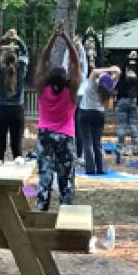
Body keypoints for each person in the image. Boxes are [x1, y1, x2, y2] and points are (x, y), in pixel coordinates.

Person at [34, 26, 82, 210]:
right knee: (66, 176)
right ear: (66, 80)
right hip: (66, 136)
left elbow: (42, 60)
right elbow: (75, 64)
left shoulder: (42, 89)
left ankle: (41, 207)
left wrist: (54, 37)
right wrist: (68, 40)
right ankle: (66, 210)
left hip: (45, 133)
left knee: (45, 174)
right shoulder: (70, 92)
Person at [78, 57, 119, 176]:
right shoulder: (108, 89)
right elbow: (118, 72)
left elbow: (94, 72)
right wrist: (113, 70)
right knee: (97, 141)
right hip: (99, 114)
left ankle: (90, 168)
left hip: (85, 112)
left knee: (87, 141)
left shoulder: (92, 86)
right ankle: (100, 167)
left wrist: (108, 69)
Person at [0, 40, 28, 161]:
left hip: (0, 109)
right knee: (17, 148)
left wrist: (2, 40)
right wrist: (18, 39)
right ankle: (18, 176)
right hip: (17, 110)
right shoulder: (20, 69)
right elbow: (25, 53)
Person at [115, 52, 138, 161]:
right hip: (133, 101)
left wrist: (128, 58)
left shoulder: (122, 80)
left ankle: (120, 146)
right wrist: (137, 60)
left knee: (121, 125)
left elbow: (122, 69)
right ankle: (134, 147)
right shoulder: (136, 81)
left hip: (121, 101)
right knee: (133, 124)